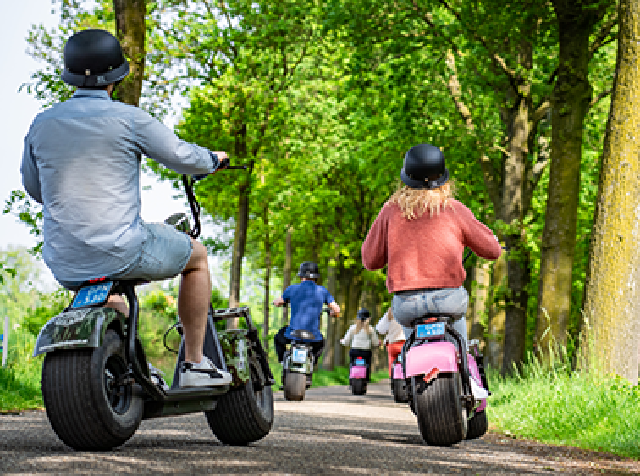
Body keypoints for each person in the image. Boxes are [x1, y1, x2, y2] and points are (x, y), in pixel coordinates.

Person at [20, 29, 232, 388]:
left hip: (63, 258)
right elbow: (181, 156)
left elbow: (35, 189)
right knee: (196, 257)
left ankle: (128, 362)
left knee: (114, 295)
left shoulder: (42, 124)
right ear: (117, 76)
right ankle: (195, 363)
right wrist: (212, 159)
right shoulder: (129, 118)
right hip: (121, 248)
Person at [361, 143, 502, 397]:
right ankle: (469, 380)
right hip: (448, 300)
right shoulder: (454, 210)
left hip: (407, 304)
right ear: (443, 179)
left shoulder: (391, 211)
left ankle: (411, 375)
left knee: (411, 344)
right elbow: (492, 250)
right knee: (461, 344)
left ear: (405, 178)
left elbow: (370, 260)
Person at [273, 261, 341, 365]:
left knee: (278, 338)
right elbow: (337, 310)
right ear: (316, 277)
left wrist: (276, 302)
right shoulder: (322, 291)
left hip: (293, 333)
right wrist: (332, 313)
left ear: (301, 276)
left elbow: (278, 302)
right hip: (313, 335)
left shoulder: (292, 289)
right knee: (321, 343)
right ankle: (312, 363)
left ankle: (283, 361)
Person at [341, 308, 379, 381]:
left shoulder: (352, 328)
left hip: (354, 351)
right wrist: (377, 344)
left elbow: (346, 341)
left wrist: (342, 341)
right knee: (367, 364)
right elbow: (375, 342)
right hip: (366, 352)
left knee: (352, 364)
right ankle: (367, 378)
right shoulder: (370, 329)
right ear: (368, 318)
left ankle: (351, 378)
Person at [375, 306, 405, 378]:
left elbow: (380, 329)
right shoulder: (408, 313)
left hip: (392, 344)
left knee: (392, 361)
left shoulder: (390, 314)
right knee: (407, 362)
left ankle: (392, 378)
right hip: (405, 343)